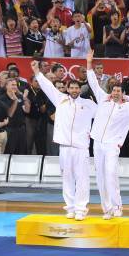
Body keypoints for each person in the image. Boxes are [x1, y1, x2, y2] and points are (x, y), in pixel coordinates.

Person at [32, 60, 97, 221]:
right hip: (65, 147)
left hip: (81, 147)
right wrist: (37, 72)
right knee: (67, 177)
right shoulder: (60, 99)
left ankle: (81, 208)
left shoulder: (89, 104)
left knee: (82, 178)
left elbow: (104, 114)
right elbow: (47, 86)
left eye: (76, 88)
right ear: (67, 89)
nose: (74, 90)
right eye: (71, 87)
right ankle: (70, 207)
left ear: (80, 89)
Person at [86, 51, 129, 220]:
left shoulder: (127, 108)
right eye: (114, 90)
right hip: (97, 143)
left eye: (119, 91)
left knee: (111, 174)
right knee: (100, 177)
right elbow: (93, 82)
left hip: (112, 146)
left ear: (123, 93)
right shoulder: (103, 98)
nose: (116, 93)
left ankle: (117, 206)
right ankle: (107, 208)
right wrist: (89, 63)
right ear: (111, 91)